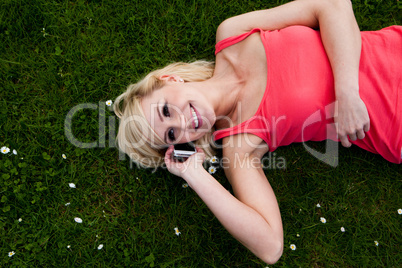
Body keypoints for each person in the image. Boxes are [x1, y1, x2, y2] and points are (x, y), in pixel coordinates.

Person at [114, 0, 401, 264]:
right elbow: (271, 245)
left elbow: (331, 4)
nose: (183, 122)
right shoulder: (239, 145)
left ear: (168, 80)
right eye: (173, 135)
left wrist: (348, 92)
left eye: (166, 110)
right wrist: (193, 173)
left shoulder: (233, 35)